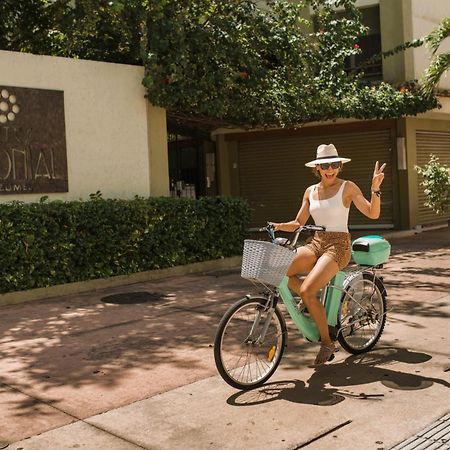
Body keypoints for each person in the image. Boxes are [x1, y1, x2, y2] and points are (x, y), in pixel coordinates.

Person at [271, 143, 386, 366]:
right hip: (316, 242)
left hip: (339, 245)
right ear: (318, 168)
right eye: (325, 165)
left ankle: (327, 342)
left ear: (339, 166)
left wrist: (375, 188)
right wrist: (278, 225)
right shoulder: (310, 191)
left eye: (334, 164)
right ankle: (312, 300)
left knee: (306, 289)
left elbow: (373, 213)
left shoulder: (348, 187)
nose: (330, 168)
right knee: (281, 271)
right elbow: (298, 223)